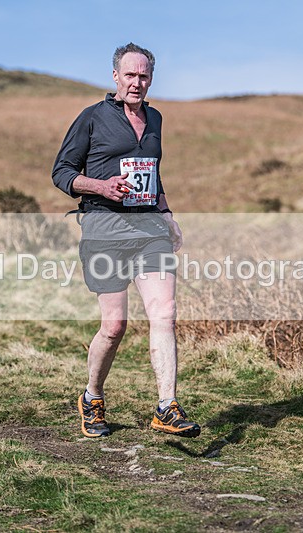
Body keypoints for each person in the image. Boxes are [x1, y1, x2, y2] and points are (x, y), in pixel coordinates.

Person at [52, 43, 200, 439]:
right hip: (105, 230)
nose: (137, 82)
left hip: (149, 231)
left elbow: (155, 173)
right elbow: (62, 172)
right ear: (115, 76)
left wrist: (168, 215)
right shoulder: (92, 118)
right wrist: (100, 185)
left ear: (151, 78)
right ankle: (93, 397)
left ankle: (167, 406)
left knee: (164, 314)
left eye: (144, 76)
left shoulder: (155, 119)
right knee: (115, 325)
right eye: (130, 75)